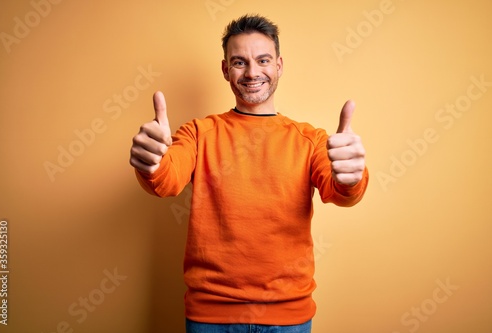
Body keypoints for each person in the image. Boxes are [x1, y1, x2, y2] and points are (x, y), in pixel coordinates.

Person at [130, 14, 368, 333]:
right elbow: (166, 180)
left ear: (279, 65)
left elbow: (340, 191)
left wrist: (351, 177)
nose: (253, 72)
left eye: (263, 60)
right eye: (240, 62)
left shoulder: (310, 140)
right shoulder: (199, 133)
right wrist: (151, 163)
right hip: (210, 317)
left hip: (289, 318)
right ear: (226, 69)